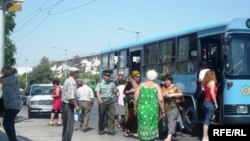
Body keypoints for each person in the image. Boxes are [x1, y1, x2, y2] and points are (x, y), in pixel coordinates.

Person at [134, 70, 165, 141]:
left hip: (141, 109)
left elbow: (135, 97)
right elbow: (160, 100)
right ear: (155, 77)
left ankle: (143, 138)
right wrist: (163, 111)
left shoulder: (141, 85)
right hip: (153, 110)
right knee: (152, 125)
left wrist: (135, 108)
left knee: (142, 125)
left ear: (147, 76)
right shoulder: (157, 86)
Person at [0, 66, 22, 141]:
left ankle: (12, 139)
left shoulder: (12, 78)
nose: (3, 73)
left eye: (4, 71)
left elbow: (1, 81)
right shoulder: (8, 78)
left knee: (6, 123)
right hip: (10, 105)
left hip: (13, 105)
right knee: (10, 124)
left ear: (9, 71)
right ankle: (12, 139)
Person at [161, 75, 184, 141]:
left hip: (173, 107)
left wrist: (172, 94)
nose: (166, 82)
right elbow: (160, 94)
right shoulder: (164, 87)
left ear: (171, 81)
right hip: (165, 107)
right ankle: (170, 134)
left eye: (167, 80)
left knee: (172, 121)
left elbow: (181, 94)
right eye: (165, 80)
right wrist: (164, 94)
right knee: (165, 122)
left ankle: (169, 137)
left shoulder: (176, 86)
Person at [95, 69, 117, 135]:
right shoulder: (100, 83)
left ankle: (111, 130)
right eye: (106, 75)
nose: (108, 76)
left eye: (109, 75)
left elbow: (114, 90)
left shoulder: (112, 83)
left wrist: (116, 92)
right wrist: (99, 99)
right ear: (103, 76)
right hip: (103, 101)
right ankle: (101, 129)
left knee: (112, 116)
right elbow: (97, 92)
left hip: (111, 101)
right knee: (101, 116)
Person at [62, 67, 80, 141]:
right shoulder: (71, 82)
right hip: (68, 106)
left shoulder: (68, 80)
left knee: (66, 126)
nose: (78, 74)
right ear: (73, 73)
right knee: (69, 126)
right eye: (77, 72)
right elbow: (71, 97)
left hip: (65, 105)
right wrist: (76, 106)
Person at [201, 70, 218, 141]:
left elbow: (204, 91)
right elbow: (212, 93)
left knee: (207, 118)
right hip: (210, 103)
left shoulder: (205, 83)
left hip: (205, 102)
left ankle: (206, 136)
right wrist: (215, 103)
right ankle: (204, 137)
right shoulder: (212, 82)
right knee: (207, 120)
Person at [123, 70, 140, 137]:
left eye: (139, 76)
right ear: (134, 77)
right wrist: (130, 91)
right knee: (133, 115)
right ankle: (126, 129)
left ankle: (134, 131)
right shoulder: (130, 83)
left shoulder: (138, 83)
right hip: (131, 102)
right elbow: (124, 92)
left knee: (136, 116)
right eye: (137, 76)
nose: (139, 78)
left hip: (137, 101)